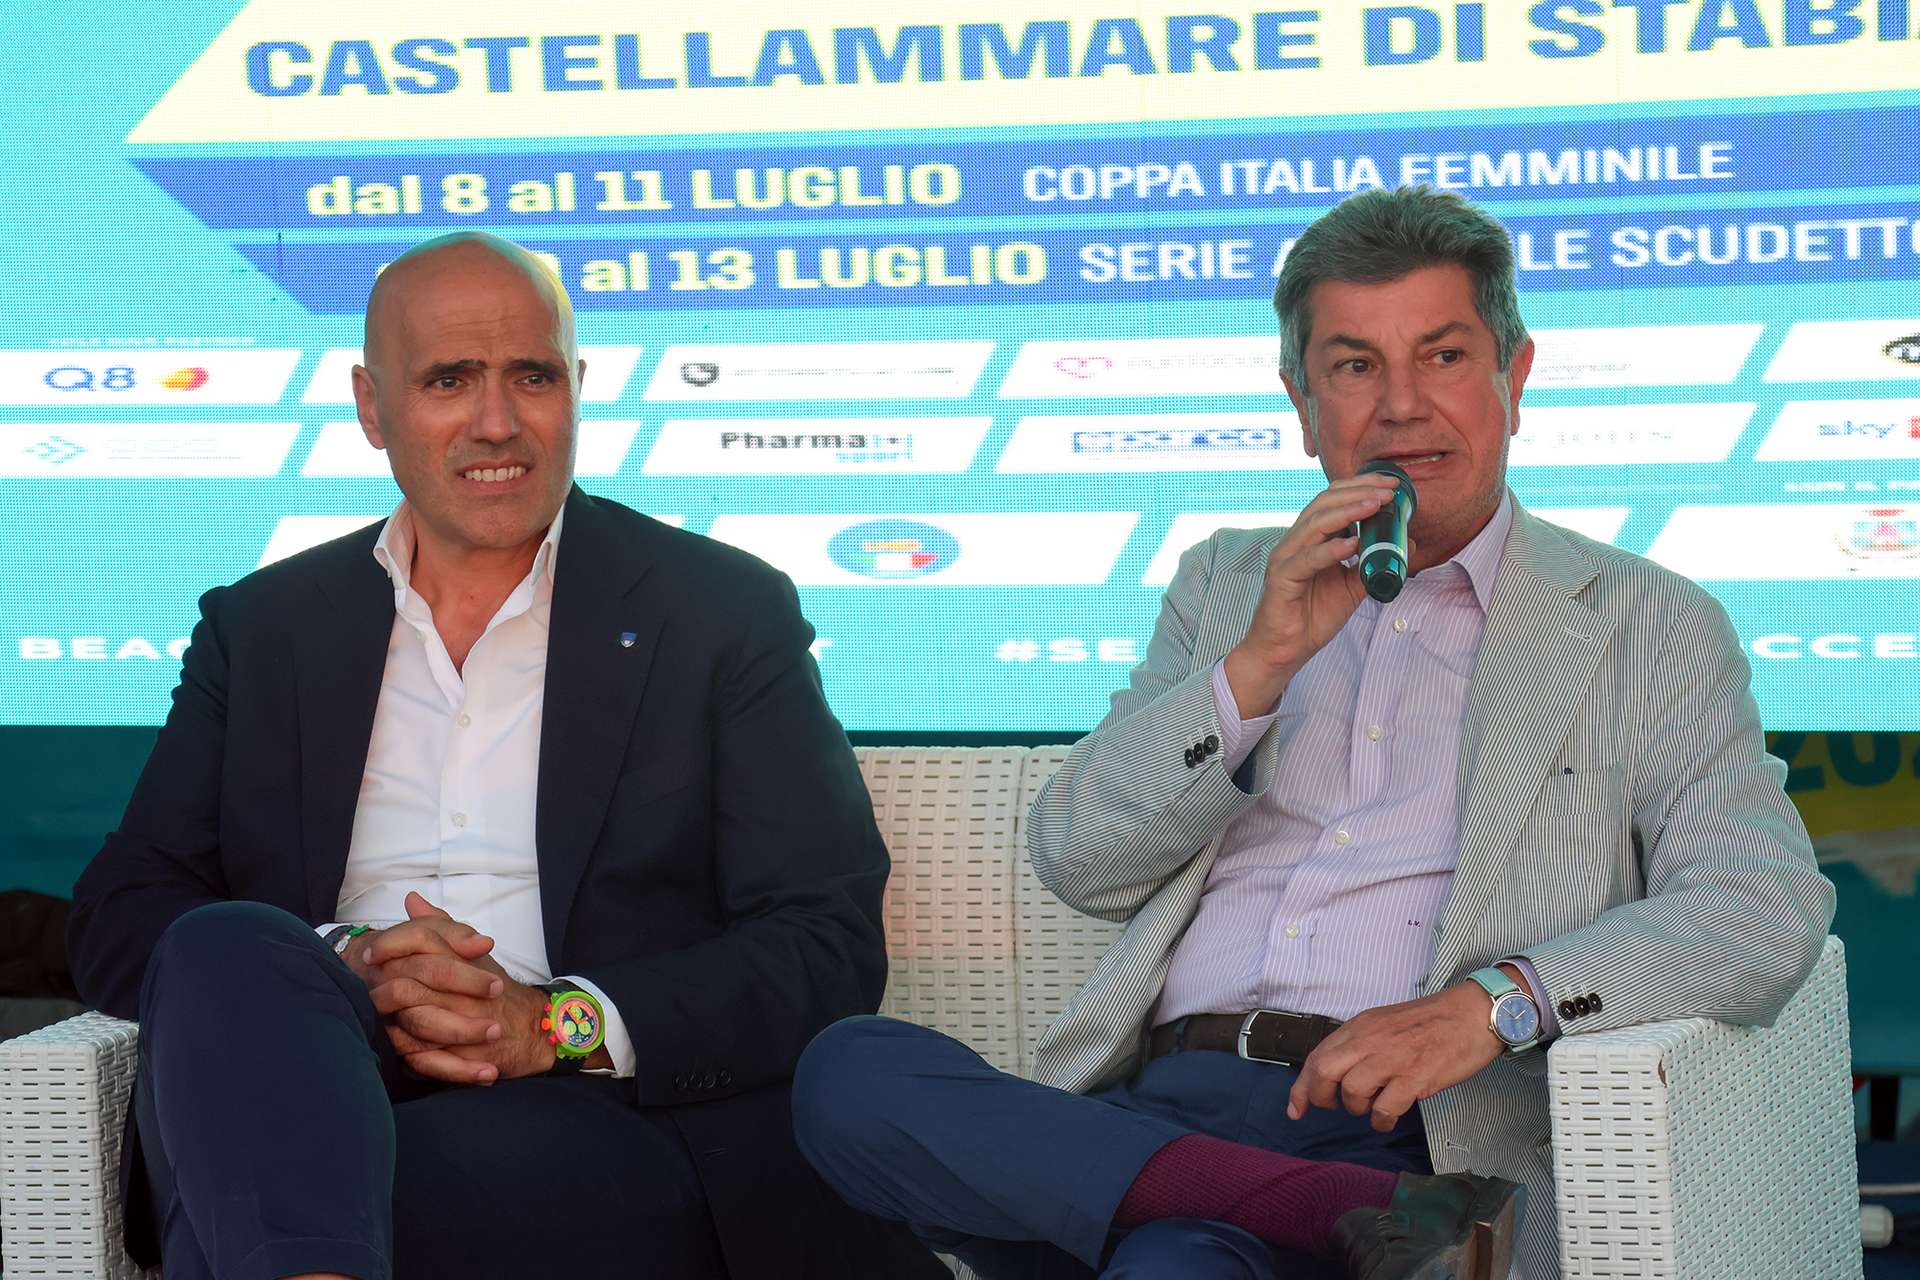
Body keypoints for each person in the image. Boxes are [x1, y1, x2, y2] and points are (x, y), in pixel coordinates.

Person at [791, 187, 1835, 1280]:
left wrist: (1498, 1002)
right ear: (1302, 403)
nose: (1401, 407)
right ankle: (1364, 1218)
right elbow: (1082, 860)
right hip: (1162, 1103)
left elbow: (1760, 903)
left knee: (1171, 1264)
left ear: (1514, 379)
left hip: (1408, 1118)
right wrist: (1257, 664)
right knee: (850, 1072)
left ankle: (1216, 1210)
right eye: (1354, 366)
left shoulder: (1645, 621)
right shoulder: (1225, 584)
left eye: (1442, 356)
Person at [66, 231, 944, 1280]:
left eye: (532, 375)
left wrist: (552, 1023)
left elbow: (824, 941)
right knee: (228, 948)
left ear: (577, 386)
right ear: (372, 406)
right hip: (313, 1072)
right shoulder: (264, 628)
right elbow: (122, 913)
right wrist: (345, 961)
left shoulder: (716, 611)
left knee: (296, 1197)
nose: (497, 422)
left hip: (595, 1108)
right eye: (449, 379)